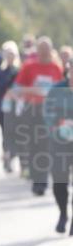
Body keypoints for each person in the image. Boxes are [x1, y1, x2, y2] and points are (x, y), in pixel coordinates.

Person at [13, 36, 64, 194]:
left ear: (51, 50)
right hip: (32, 109)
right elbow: (17, 88)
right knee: (34, 145)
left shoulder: (56, 67)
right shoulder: (29, 67)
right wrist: (34, 91)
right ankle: (37, 179)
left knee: (47, 145)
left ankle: (42, 180)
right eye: (41, 50)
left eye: (46, 50)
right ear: (37, 51)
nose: (44, 53)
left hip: (51, 111)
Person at [43, 62, 73, 234]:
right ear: (69, 71)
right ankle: (63, 213)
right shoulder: (56, 89)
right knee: (59, 181)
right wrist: (59, 123)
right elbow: (47, 112)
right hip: (59, 140)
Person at [0, 42, 23, 171]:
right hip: (4, 108)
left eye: (12, 54)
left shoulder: (20, 71)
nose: (10, 57)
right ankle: (7, 156)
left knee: (18, 133)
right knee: (6, 134)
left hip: (17, 108)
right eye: (7, 54)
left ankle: (15, 157)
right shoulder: (1, 71)